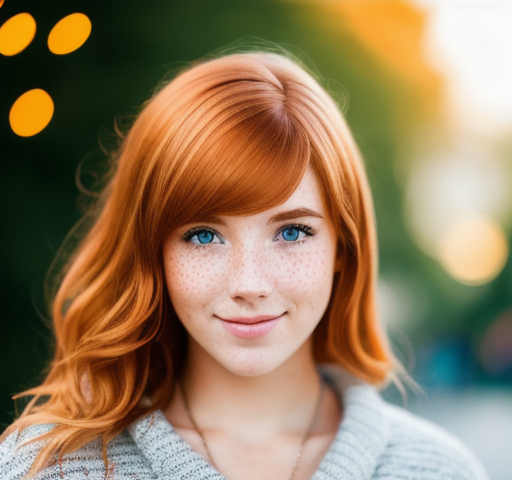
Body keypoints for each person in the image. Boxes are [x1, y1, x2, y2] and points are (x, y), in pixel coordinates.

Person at [0, 50, 488, 480]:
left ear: (343, 247)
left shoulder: (438, 470)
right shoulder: (48, 468)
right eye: (203, 235)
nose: (249, 283)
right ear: (153, 251)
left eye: (292, 232)